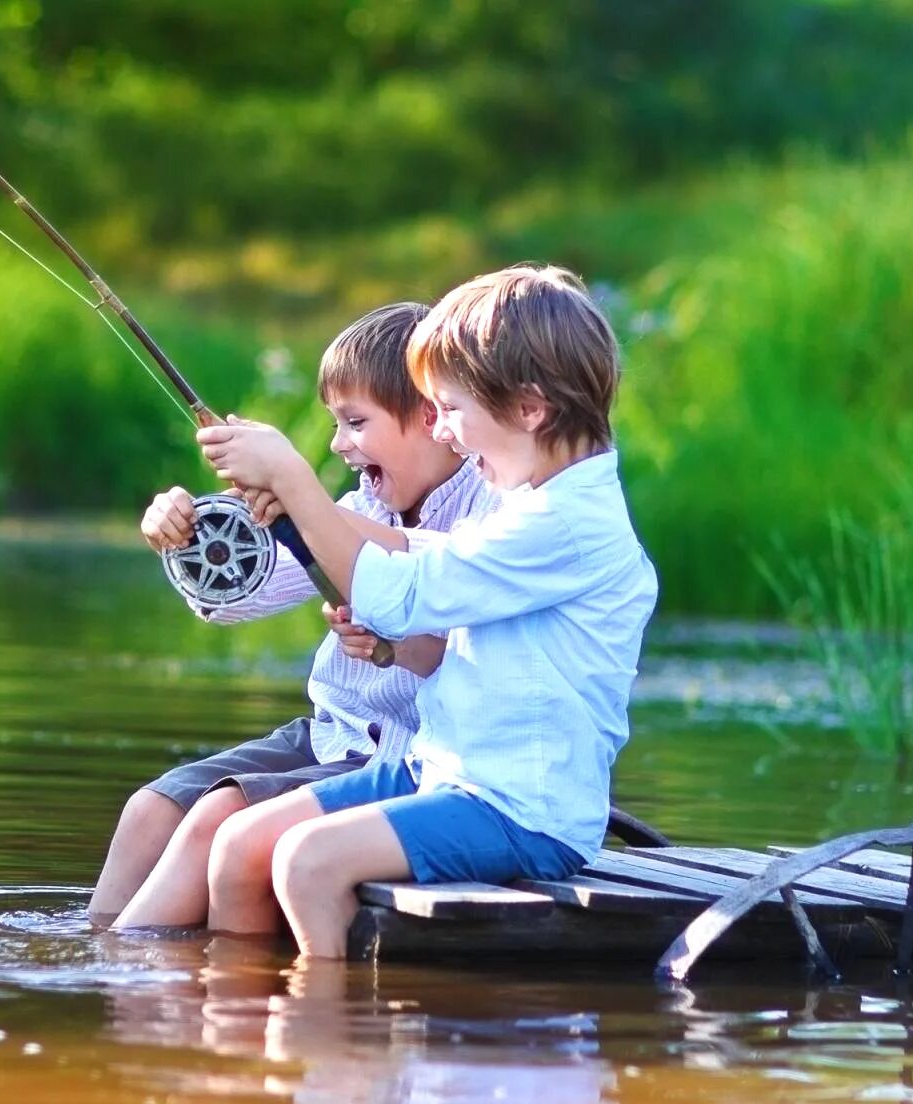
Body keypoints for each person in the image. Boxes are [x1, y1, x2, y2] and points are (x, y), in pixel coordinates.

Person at [193, 264, 658, 958]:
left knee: (308, 861)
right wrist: (305, 516)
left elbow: (401, 593)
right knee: (240, 841)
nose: (442, 430)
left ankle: (327, 1044)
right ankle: (241, 1028)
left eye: (451, 409)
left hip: (517, 808)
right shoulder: (531, 501)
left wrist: (294, 478)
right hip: (440, 769)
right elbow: (424, 564)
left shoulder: (567, 522)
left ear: (529, 409)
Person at [88, 302, 497, 930]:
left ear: (428, 416)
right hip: (331, 735)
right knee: (150, 809)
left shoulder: (488, 508)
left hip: (408, 758)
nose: (339, 444)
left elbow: (440, 567)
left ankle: (130, 981)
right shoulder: (363, 502)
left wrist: (301, 496)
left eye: (356, 422)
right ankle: (95, 954)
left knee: (212, 819)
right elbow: (241, 598)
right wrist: (192, 533)